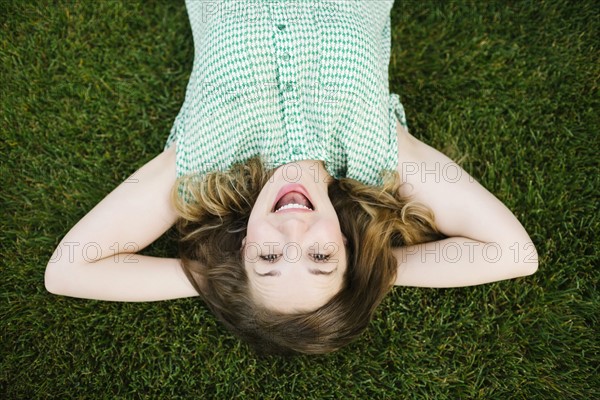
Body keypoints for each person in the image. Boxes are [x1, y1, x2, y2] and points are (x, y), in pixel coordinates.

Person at [45, 0, 538, 355]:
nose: (292, 232)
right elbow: (514, 254)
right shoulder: (381, 154)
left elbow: (69, 271)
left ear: (241, 250)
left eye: (268, 258)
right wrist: (377, 270)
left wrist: (209, 280)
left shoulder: (201, 166)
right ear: (347, 246)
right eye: (321, 257)